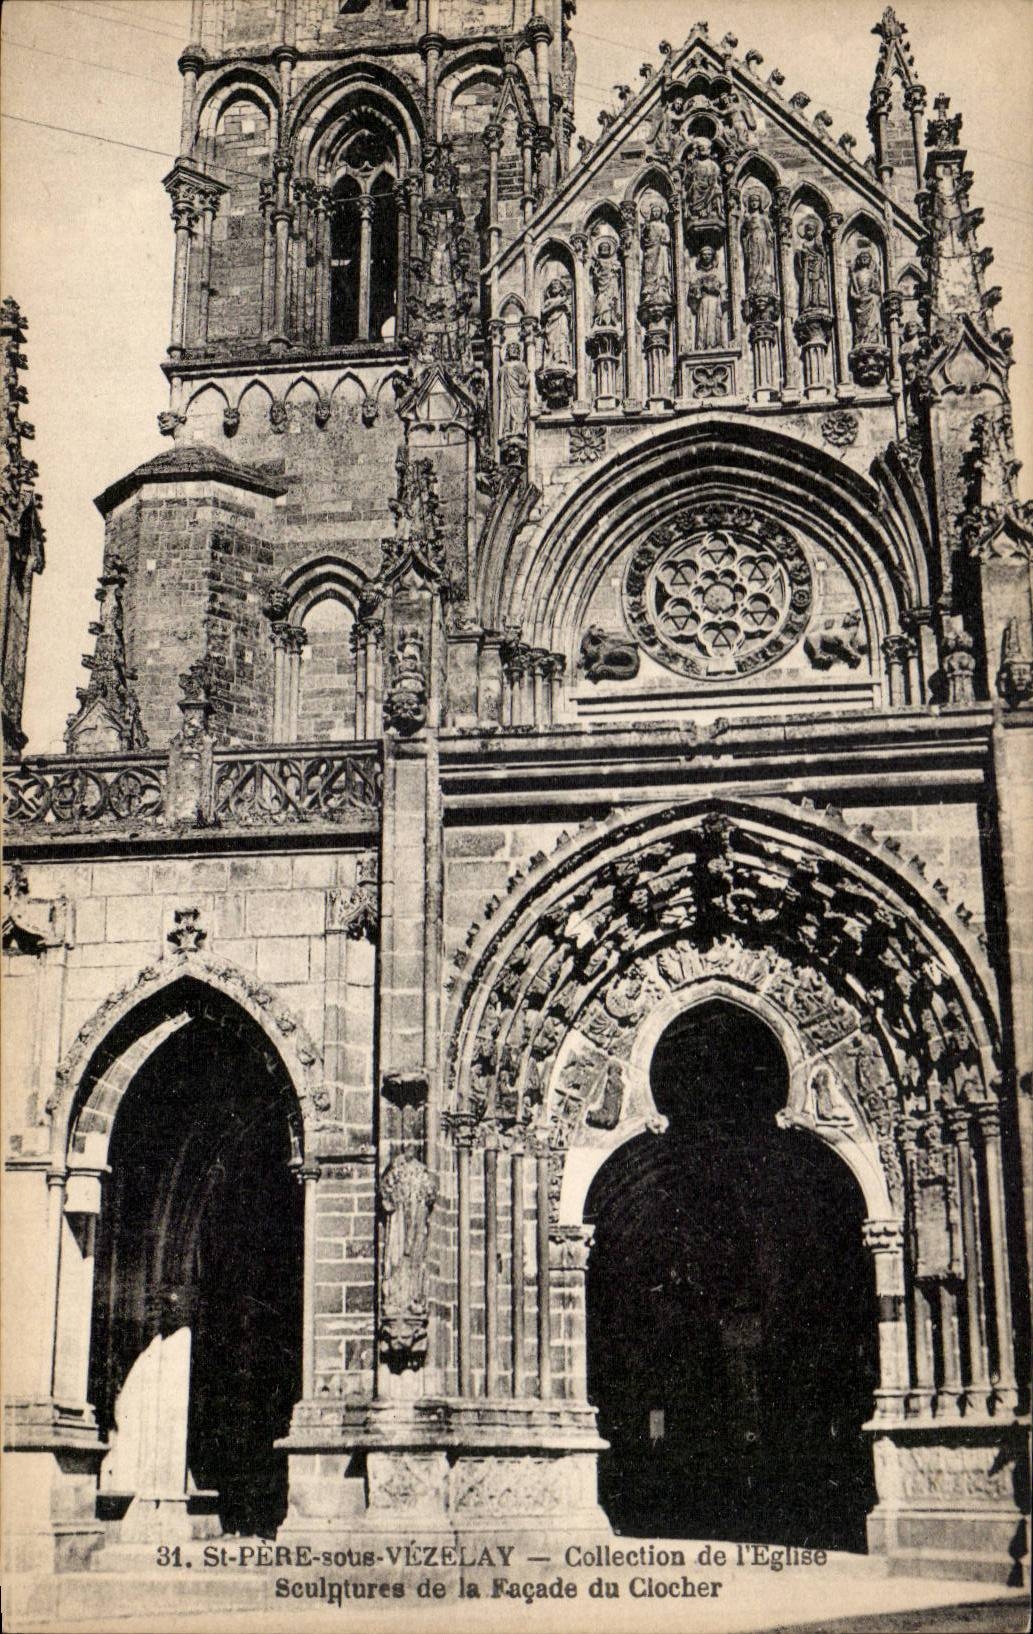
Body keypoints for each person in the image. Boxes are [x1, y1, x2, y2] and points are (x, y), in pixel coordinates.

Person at [848, 243, 883, 349]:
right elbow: (852, 292)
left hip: (871, 301)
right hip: (860, 303)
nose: (864, 259)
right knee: (860, 324)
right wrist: (857, 297)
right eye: (862, 257)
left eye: (866, 257)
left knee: (871, 323)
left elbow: (877, 290)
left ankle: (872, 339)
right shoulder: (855, 275)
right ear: (858, 260)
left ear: (870, 260)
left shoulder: (872, 274)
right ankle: (861, 340)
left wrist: (873, 292)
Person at [689, 245, 724, 349]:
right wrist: (698, 289)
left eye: (709, 254)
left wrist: (716, 289)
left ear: (713, 256)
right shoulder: (697, 274)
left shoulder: (718, 272)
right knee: (702, 323)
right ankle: (701, 345)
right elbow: (692, 291)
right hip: (703, 302)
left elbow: (724, 288)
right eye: (704, 254)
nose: (707, 257)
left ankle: (714, 344)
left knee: (714, 324)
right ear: (701, 256)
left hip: (714, 301)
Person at [740, 193, 775, 298]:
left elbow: (769, 231)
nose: (754, 203)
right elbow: (743, 232)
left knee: (763, 263)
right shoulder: (747, 218)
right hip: (752, 242)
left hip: (762, 241)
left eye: (756, 201)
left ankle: (763, 283)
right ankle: (753, 285)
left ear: (760, 203)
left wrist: (769, 237)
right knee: (753, 263)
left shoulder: (763, 218)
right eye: (752, 201)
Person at [640, 202, 673, 306]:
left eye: (657, 211)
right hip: (651, 252)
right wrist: (645, 232)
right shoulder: (649, 225)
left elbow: (667, 240)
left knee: (661, 272)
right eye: (653, 211)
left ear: (661, 212)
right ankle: (649, 294)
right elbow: (645, 241)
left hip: (662, 252)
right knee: (649, 271)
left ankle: (662, 291)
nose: (655, 213)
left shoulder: (664, 226)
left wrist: (664, 239)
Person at [794, 218, 830, 312]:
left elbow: (823, 254)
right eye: (808, 230)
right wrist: (801, 254)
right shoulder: (804, 244)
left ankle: (816, 302)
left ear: (815, 232)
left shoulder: (817, 242)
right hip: (807, 266)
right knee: (808, 284)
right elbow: (801, 257)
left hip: (817, 265)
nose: (810, 232)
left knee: (816, 283)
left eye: (812, 230)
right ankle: (808, 303)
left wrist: (818, 258)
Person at [497, 341, 529, 441]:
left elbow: (523, 382)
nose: (514, 350)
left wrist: (527, 379)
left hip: (519, 396)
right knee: (508, 413)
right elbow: (499, 382)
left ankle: (519, 430)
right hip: (508, 397)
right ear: (507, 352)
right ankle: (508, 430)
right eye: (511, 348)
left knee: (519, 413)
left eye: (516, 349)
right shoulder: (503, 368)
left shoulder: (521, 365)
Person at [541, 276, 573, 368]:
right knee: (551, 342)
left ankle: (562, 359)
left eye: (557, 285)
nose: (555, 287)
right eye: (553, 286)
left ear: (561, 288)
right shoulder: (549, 301)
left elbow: (569, 311)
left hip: (561, 319)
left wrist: (564, 306)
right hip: (551, 324)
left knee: (562, 338)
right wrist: (557, 304)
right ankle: (550, 361)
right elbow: (543, 311)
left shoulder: (565, 300)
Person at [590, 236, 622, 328]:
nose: (604, 249)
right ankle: (601, 319)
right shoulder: (598, 261)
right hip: (602, 287)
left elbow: (618, 270)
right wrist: (596, 273)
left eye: (606, 248)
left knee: (611, 302)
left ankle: (611, 320)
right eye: (602, 248)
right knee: (600, 300)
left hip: (611, 284)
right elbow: (596, 277)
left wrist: (615, 271)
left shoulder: (613, 261)